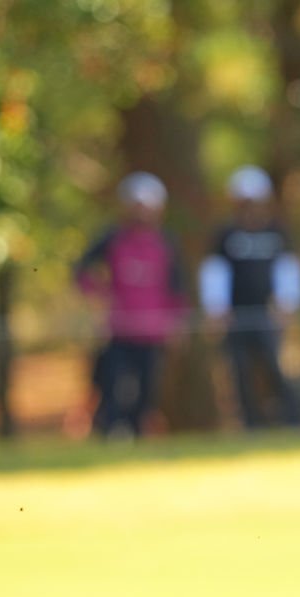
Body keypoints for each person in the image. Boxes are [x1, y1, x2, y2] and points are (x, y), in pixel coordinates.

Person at [74, 171, 187, 438]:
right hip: (119, 329)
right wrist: (99, 294)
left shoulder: (166, 243)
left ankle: (137, 434)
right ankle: (109, 432)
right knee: (111, 384)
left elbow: (177, 286)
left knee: (147, 389)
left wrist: (176, 323)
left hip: (152, 332)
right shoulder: (113, 238)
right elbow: (82, 269)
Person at [199, 165, 300, 428]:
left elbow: (287, 269)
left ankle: (291, 420)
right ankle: (250, 424)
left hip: (268, 316)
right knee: (239, 372)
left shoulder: (277, 232)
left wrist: (286, 305)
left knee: (275, 368)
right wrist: (216, 309)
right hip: (235, 317)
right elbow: (215, 272)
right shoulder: (225, 234)